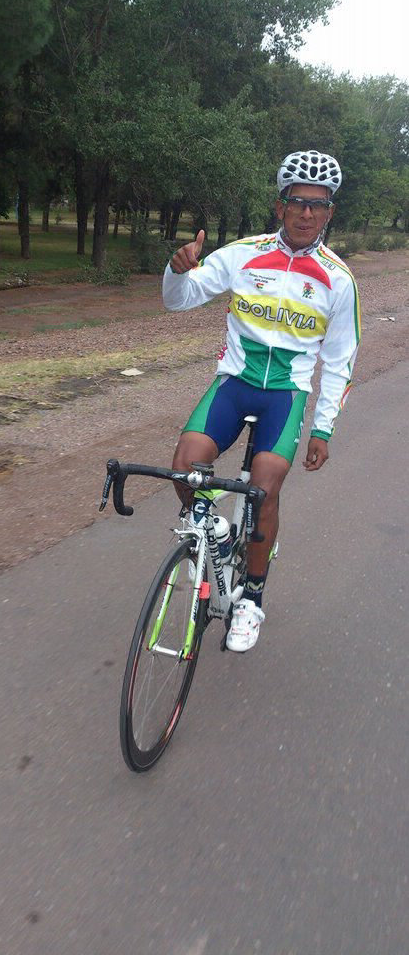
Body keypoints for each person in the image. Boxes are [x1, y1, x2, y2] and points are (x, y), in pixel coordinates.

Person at [162, 150, 360, 652]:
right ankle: (219, 534)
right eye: (297, 202)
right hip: (235, 383)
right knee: (185, 467)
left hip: (286, 396)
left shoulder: (338, 279)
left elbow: (339, 361)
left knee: (265, 489)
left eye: (318, 205)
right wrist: (176, 268)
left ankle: (251, 596)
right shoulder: (242, 254)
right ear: (280, 206)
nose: (307, 213)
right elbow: (178, 299)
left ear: (329, 212)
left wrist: (323, 427)